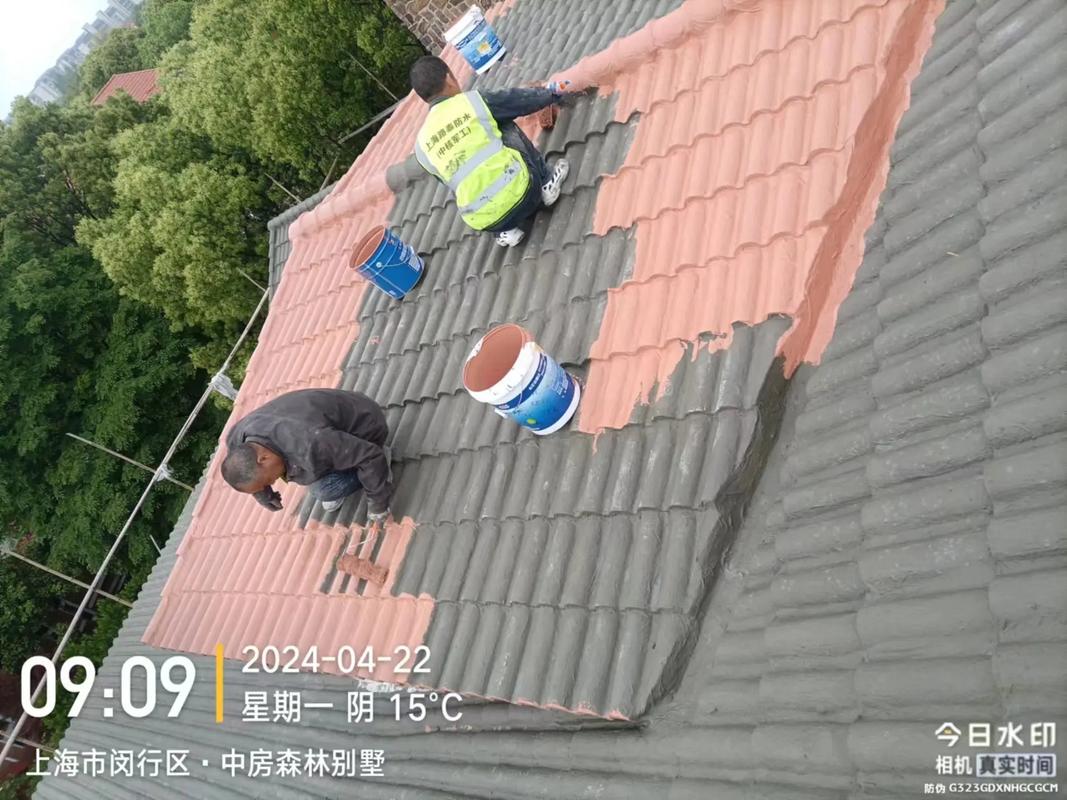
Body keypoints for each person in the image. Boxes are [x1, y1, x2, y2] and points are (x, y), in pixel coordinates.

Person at [410, 55, 572, 248]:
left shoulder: (421, 147)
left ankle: (507, 232)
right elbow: (517, 101)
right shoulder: (472, 102)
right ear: (449, 78)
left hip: (488, 222)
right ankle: (546, 182)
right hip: (527, 193)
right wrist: (551, 94)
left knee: (458, 176)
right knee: (500, 121)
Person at [220, 388, 393, 519]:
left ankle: (382, 459)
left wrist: (378, 505)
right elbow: (247, 470)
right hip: (332, 426)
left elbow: (369, 455)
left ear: (264, 458)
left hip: (367, 427)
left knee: (324, 490)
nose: (272, 483)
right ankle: (356, 462)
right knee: (309, 472)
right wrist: (264, 494)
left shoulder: (309, 443)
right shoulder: (237, 439)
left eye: (267, 481)